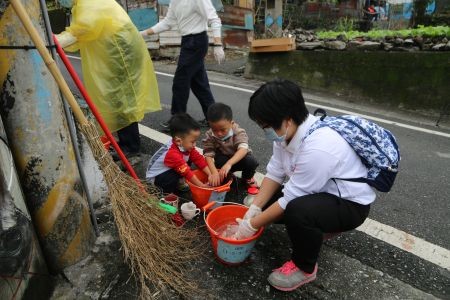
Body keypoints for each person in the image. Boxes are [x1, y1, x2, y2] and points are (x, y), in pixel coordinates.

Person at [234, 79, 375, 291]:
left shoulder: (320, 147)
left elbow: (290, 199)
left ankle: (304, 267)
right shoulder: (285, 135)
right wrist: (255, 209)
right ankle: (315, 227)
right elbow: (275, 173)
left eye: (266, 126)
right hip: (319, 192)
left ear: (287, 120)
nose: (266, 131)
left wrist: (250, 225)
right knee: (261, 202)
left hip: (349, 205)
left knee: (297, 212)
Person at [55, 0, 161, 160]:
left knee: (123, 103)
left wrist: (55, 40)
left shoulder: (88, 3)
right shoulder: (85, 4)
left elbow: (83, 29)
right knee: (118, 101)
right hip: (118, 50)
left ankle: (131, 148)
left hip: (120, 52)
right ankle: (125, 144)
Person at [140, 0, 225, 128]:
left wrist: (218, 44)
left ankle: (178, 121)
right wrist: (143, 34)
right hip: (187, 41)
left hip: (197, 41)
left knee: (180, 82)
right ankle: (213, 118)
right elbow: (167, 23)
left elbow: (214, 19)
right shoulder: (175, 1)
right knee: (199, 84)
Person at [146, 113, 213, 194]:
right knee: (177, 172)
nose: (195, 144)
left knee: (189, 159)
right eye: (192, 141)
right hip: (155, 179)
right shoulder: (172, 153)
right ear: (178, 141)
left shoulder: (183, 145)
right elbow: (186, 172)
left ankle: (178, 182)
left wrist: (210, 174)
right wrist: (201, 186)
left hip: (168, 170)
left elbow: (198, 158)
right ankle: (163, 192)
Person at [202, 103, 259, 188]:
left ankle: (247, 178)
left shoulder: (238, 131)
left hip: (238, 159)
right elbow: (208, 154)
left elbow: (243, 149)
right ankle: (224, 176)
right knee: (219, 162)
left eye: (222, 130)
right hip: (223, 159)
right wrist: (214, 172)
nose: (219, 133)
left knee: (251, 162)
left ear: (231, 123)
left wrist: (229, 164)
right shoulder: (210, 134)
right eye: (215, 130)